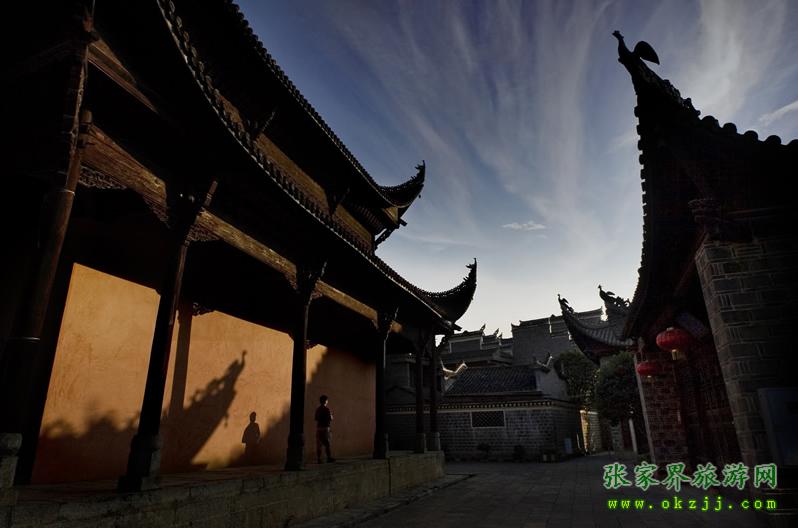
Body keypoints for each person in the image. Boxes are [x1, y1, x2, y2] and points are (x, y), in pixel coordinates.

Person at [314, 395, 335, 463]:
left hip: (319, 428)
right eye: (327, 400)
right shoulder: (327, 409)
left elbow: (316, 418)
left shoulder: (318, 409)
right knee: (327, 444)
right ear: (325, 401)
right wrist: (331, 416)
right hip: (325, 428)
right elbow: (330, 418)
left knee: (319, 444)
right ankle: (328, 458)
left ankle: (319, 459)